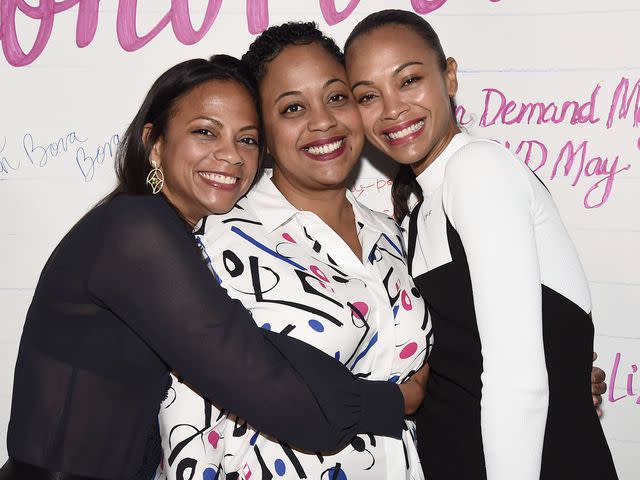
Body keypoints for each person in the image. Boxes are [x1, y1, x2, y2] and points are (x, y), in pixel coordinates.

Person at [0, 55, 423, 480]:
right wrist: (400, 400)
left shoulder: (168, 232)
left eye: (248, 140)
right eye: (206, 132)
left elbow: (258, 349)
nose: (232, 156)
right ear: (155, 143)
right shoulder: (136, 232)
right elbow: (264, 383)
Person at [344, 9, 618, 480]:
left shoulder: (478, 170)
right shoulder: (410, 216)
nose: (392, 109)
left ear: (449, 76)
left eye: (408, 80)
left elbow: (518, 381)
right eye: (369, 95)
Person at [156, 24, 431, 480]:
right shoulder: (214, 241)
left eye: (337, 97)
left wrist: (553, 366)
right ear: (262, 132)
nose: (323, 121)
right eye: (293, 108)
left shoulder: (391, 233)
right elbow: (185, 425)